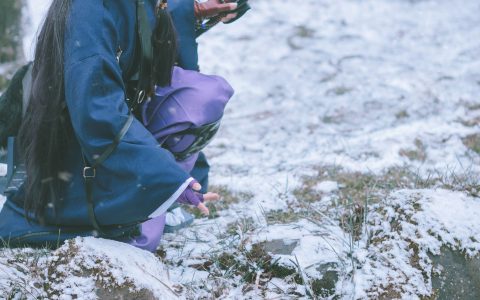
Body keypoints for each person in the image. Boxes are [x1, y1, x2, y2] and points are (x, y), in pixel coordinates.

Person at [0, 0, 245, 250]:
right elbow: (98, 110)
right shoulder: (89, 9)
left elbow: (140, 22)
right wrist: (166, 178)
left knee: (202, 95)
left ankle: (151, 199)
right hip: (71, 142)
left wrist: (190, 14)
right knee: (139, 238)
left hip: (117, 112)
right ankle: (124, 207)